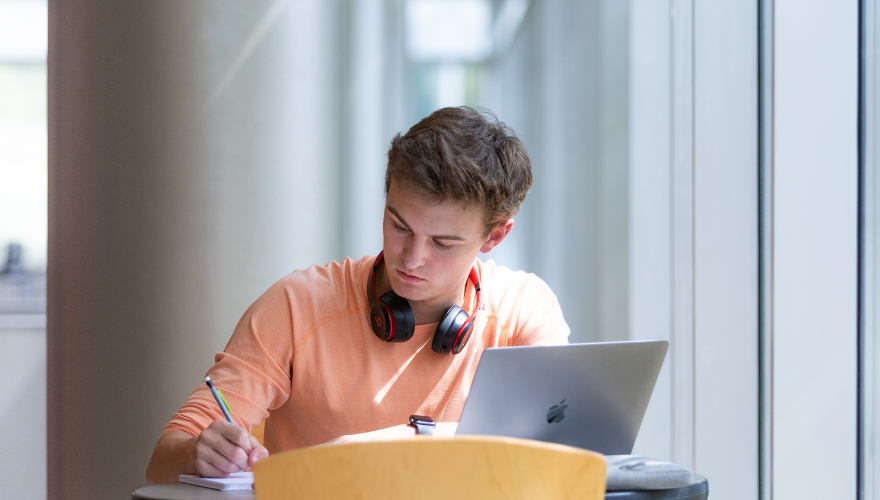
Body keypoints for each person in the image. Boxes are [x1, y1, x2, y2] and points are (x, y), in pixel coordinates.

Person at [145, 106, 570, 484]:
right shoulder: (296, 306)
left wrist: (365, 451)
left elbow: (564, 455)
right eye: (399, 225)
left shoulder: (524, 312)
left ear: (495, 235)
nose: (412, 258)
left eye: (442, 243)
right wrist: (196, 453)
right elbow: (162, 462)